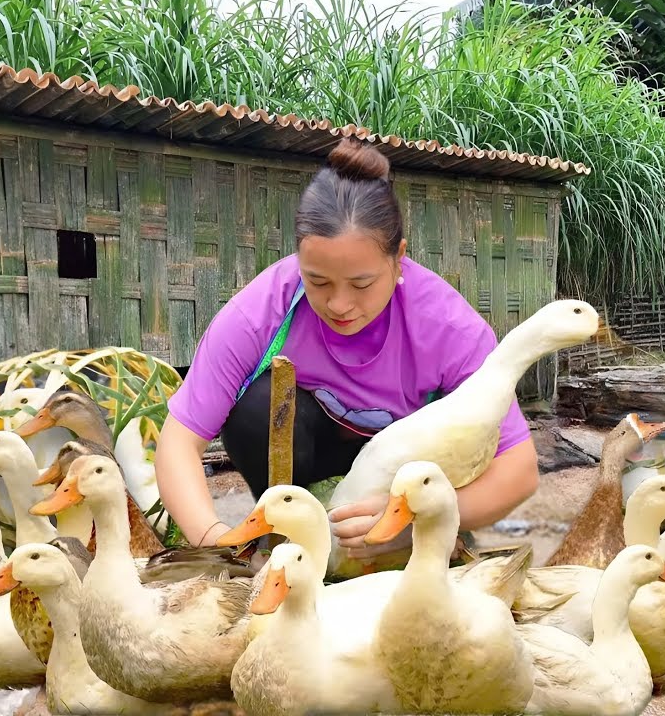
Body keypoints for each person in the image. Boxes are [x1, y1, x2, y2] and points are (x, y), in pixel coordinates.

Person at [154, 137, 539, 561]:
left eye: (361, 284)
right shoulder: (259, 312)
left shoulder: (448, 327)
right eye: (317, 281)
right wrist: (214, 541)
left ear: (399, 260)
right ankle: (290, 532)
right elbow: (178, 442)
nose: (339, 305)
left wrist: (417, 522)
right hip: (310, 455)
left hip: (402, 480)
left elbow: (518, 471)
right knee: (256, 406)